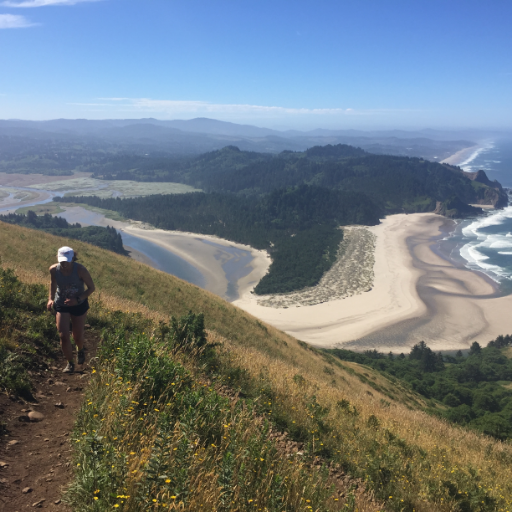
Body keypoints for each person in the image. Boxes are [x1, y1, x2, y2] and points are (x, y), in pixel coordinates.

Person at [47, 246, 96, 373]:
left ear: (72, 258)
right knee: (63, 336)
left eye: (67, 261)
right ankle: (70, 363)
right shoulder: (53, 270)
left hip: (79, 305)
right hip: (61, 304)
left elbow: (91, 288)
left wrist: (78, 299)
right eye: (62, 260)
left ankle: (80, 349)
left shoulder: (80, 270)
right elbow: (53, 283)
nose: (64, 264)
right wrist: (50, 299)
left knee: (77, 336)